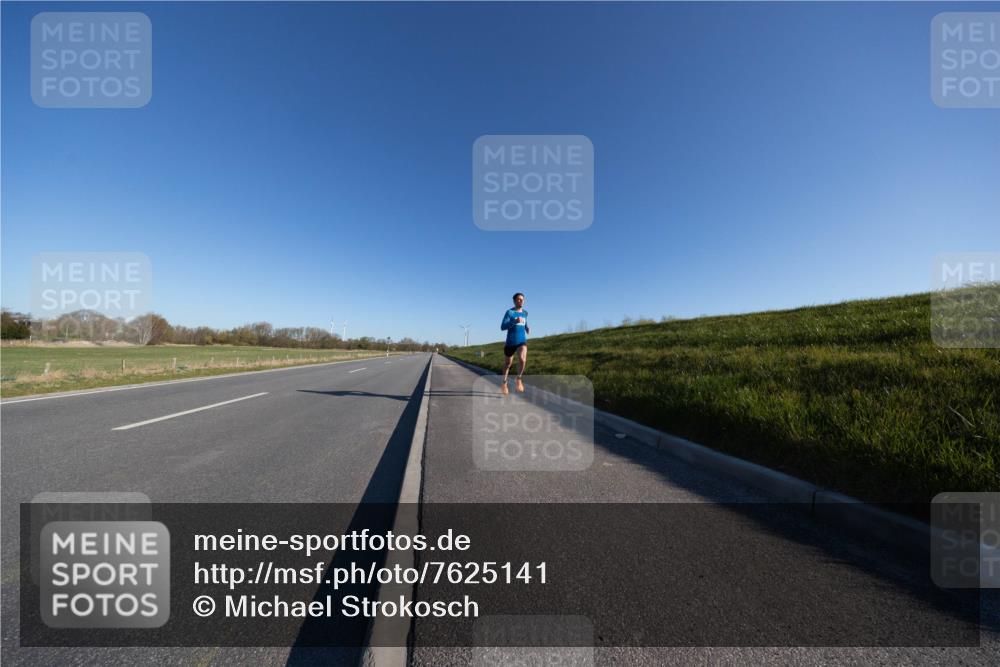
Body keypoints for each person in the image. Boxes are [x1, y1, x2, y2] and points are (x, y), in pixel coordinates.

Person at [500, 292, 529, 394]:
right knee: (508, 364)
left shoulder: (525, 313)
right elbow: (502, 327)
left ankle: (519, 379)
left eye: (522, 299)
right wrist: (513, 321)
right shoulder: (509, 312)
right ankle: (504, 383)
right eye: (519, 299)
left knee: (522, 359)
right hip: (511, 342)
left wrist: (526, 327)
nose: (521, 301)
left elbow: (524, 322)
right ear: (514, 301)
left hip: (522, 341)